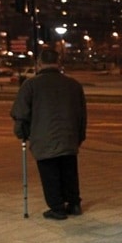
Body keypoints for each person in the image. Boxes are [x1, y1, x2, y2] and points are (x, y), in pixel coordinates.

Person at [10, 48, 87, 220]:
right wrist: (80, 136)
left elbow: (20, 113)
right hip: (69, 137)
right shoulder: (73, 85)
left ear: (39, 63)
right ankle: (74, 203)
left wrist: (21, 133)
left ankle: (57, 208)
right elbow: (82, 114)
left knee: (50, 173)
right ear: (58, 63)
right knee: (69, 171)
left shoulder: (31, 85)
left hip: (43, 138)